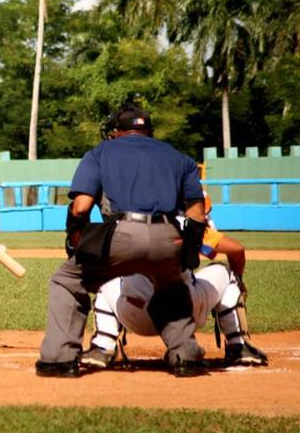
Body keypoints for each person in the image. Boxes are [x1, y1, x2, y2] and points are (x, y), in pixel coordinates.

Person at [36, 104, 209, 378]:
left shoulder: (101, 152)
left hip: (122, 232)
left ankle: (59, 359)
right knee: (171, 288)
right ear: (149, 131)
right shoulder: (179, 158)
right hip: (167, 236)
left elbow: (81, 207)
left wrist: (75, 237)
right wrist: (187, 250)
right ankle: (186, 357)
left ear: (116, 131)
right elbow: (197, 212)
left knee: (66, 281)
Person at [83, 193, 267, 369]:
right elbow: (237, 250)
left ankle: (103, 345)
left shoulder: (122, 224)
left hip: (134, 314)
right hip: (185, 314)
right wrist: (240, 281)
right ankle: (238, 345)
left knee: (108, 277)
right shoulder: (187, 224)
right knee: (226, 273)